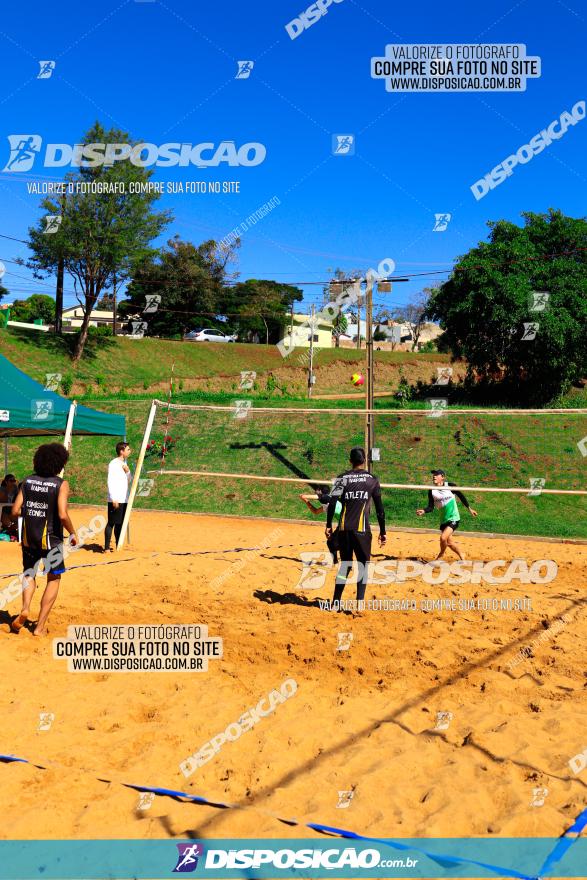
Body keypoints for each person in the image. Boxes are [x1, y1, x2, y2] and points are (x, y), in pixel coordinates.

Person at [10, 444, 77, 636]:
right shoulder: (61, 484)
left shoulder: (27, 481)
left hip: (29, 539)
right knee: (53, 578)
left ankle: (25, 608)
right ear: (59, 463)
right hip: (52, 542)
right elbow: (63, 515)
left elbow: (14, 511)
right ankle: (39, 627)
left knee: (29, 574)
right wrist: (73, 534)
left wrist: (29, 516)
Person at [325, 447, 386, 609]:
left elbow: (331, 503)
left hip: (344, 528)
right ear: (365, 460)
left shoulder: (342, 478)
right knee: (363, 566)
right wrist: (383, 531)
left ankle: (336, 603)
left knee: (345, 566)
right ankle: (359, 603)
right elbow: (380, 510)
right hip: (362, 530)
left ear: (350, 460)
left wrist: (328, 524)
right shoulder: (372, 479)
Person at [416, 469, 478, 560]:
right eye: (433, 474)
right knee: (449, 543)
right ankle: (462, 554)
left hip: (453, 518)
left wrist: (469, 509)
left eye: (437, 475)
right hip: (443, 520)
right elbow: (431, 507)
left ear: (443, 477)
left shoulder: (450, 486)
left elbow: (461, 496)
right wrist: (424, 511)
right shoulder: (432, 491)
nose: (434, 476)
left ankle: (441, 555)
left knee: (443, 538)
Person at [300, 488, 342, 563]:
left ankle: (339, 561)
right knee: (332, 541)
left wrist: (303, 496)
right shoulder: (327, 504)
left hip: (346, 523)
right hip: (343, 523)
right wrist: (306, 501)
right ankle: (337, 560)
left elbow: (321, 496)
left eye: (318, 492)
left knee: (331, 542)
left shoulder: (328, 498)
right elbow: (315, 511)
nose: (316, 493)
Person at [105, 442, 132, 552]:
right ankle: (106, 547)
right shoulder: (114, 464)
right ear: (121, 451)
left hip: (124, 499)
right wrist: (113, 498)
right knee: (111, 522)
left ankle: (117, 545)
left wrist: (128, 472)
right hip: (115, 499)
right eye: (128, 449)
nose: (130, 451)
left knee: (120, 523)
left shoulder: (124, 464)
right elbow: (110, 481)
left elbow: (129, 480)